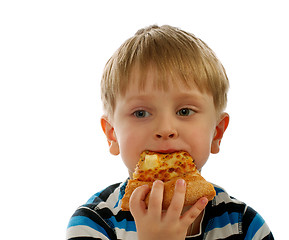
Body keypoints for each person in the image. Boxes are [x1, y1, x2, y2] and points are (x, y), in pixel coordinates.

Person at [66, 25, 274, 239]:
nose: (165, 129)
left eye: (185, 111)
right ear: (112, 134)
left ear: (217, 132)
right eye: (140, 113)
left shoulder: (245, 227)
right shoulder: (93, 223)